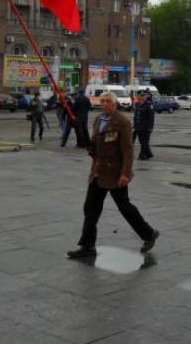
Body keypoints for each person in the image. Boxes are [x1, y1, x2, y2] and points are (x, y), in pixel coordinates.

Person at [66, 91, 159, 259]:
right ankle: (87, 246)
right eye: (102, 101)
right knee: (90, 208)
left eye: (108, 101)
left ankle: (149, 233)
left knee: (124, 207)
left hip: (115, 172)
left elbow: (127, 149)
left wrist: (125, 173)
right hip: (98, 171)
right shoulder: (98, 119)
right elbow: (95, 143)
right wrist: (88, 144)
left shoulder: (122, 121)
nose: (104, 104)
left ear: (115, 103)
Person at [133, 90, 155, 160]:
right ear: (138, 96)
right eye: (141, 95)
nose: (143, 97)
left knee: (144, 142)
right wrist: (134, 126)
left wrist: (150, 127)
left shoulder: (149, 104)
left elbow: (151, 117)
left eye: (144, 95)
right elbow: (136, 116)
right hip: (138, 127)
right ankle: (148, 154)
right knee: (142, 142)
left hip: (146, 127)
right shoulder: (137, 104)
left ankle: (142, 155)